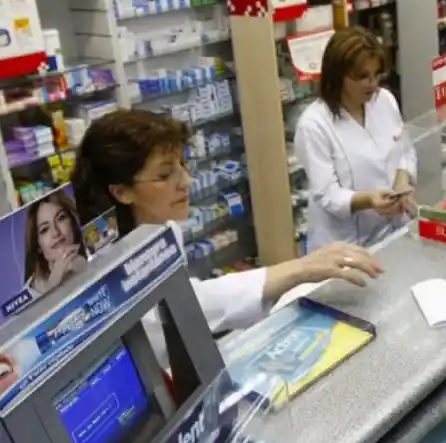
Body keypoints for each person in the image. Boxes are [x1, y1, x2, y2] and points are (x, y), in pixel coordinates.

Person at [73, 109, 383, 367]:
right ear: (121, 192)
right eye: (165, 175)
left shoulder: (161, 230)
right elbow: (172, 318)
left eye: (183, 166)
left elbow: (187, 303)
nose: (187, 181)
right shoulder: (103, 269)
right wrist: (295, 270)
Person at [294, 27, 417, 252]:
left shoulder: (384, 101)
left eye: (377, 74)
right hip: (344, 246)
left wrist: (402, 180)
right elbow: (327, 194)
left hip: (392, 231)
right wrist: (368, 200)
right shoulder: (314, 125)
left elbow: (404, 148)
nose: (372, 83)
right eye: (362, 76)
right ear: (337, 75)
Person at [23, 190, 88, 295]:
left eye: (61, 218)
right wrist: (52, 286)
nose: (55, 232)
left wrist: (87, 270)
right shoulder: (29, 293)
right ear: (38, 245)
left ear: (72, 223)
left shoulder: (100, 248)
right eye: (45, 229)